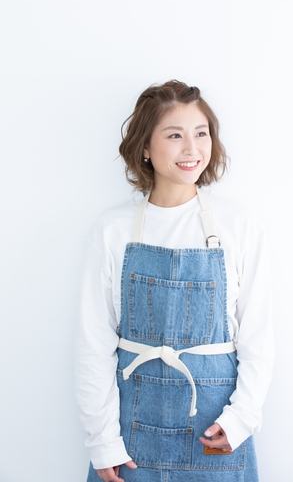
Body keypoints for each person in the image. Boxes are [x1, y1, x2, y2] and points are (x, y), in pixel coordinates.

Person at [75, 80, 274, 482]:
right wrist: (102, 440)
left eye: (201, 134)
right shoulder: (112, 229)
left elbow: (258, 337)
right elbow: (92, 345)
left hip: (216, 432)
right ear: (145, 147)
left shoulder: (239, 224)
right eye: (174, 135)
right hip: (128, 439)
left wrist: (240, 419)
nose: (192, 149)